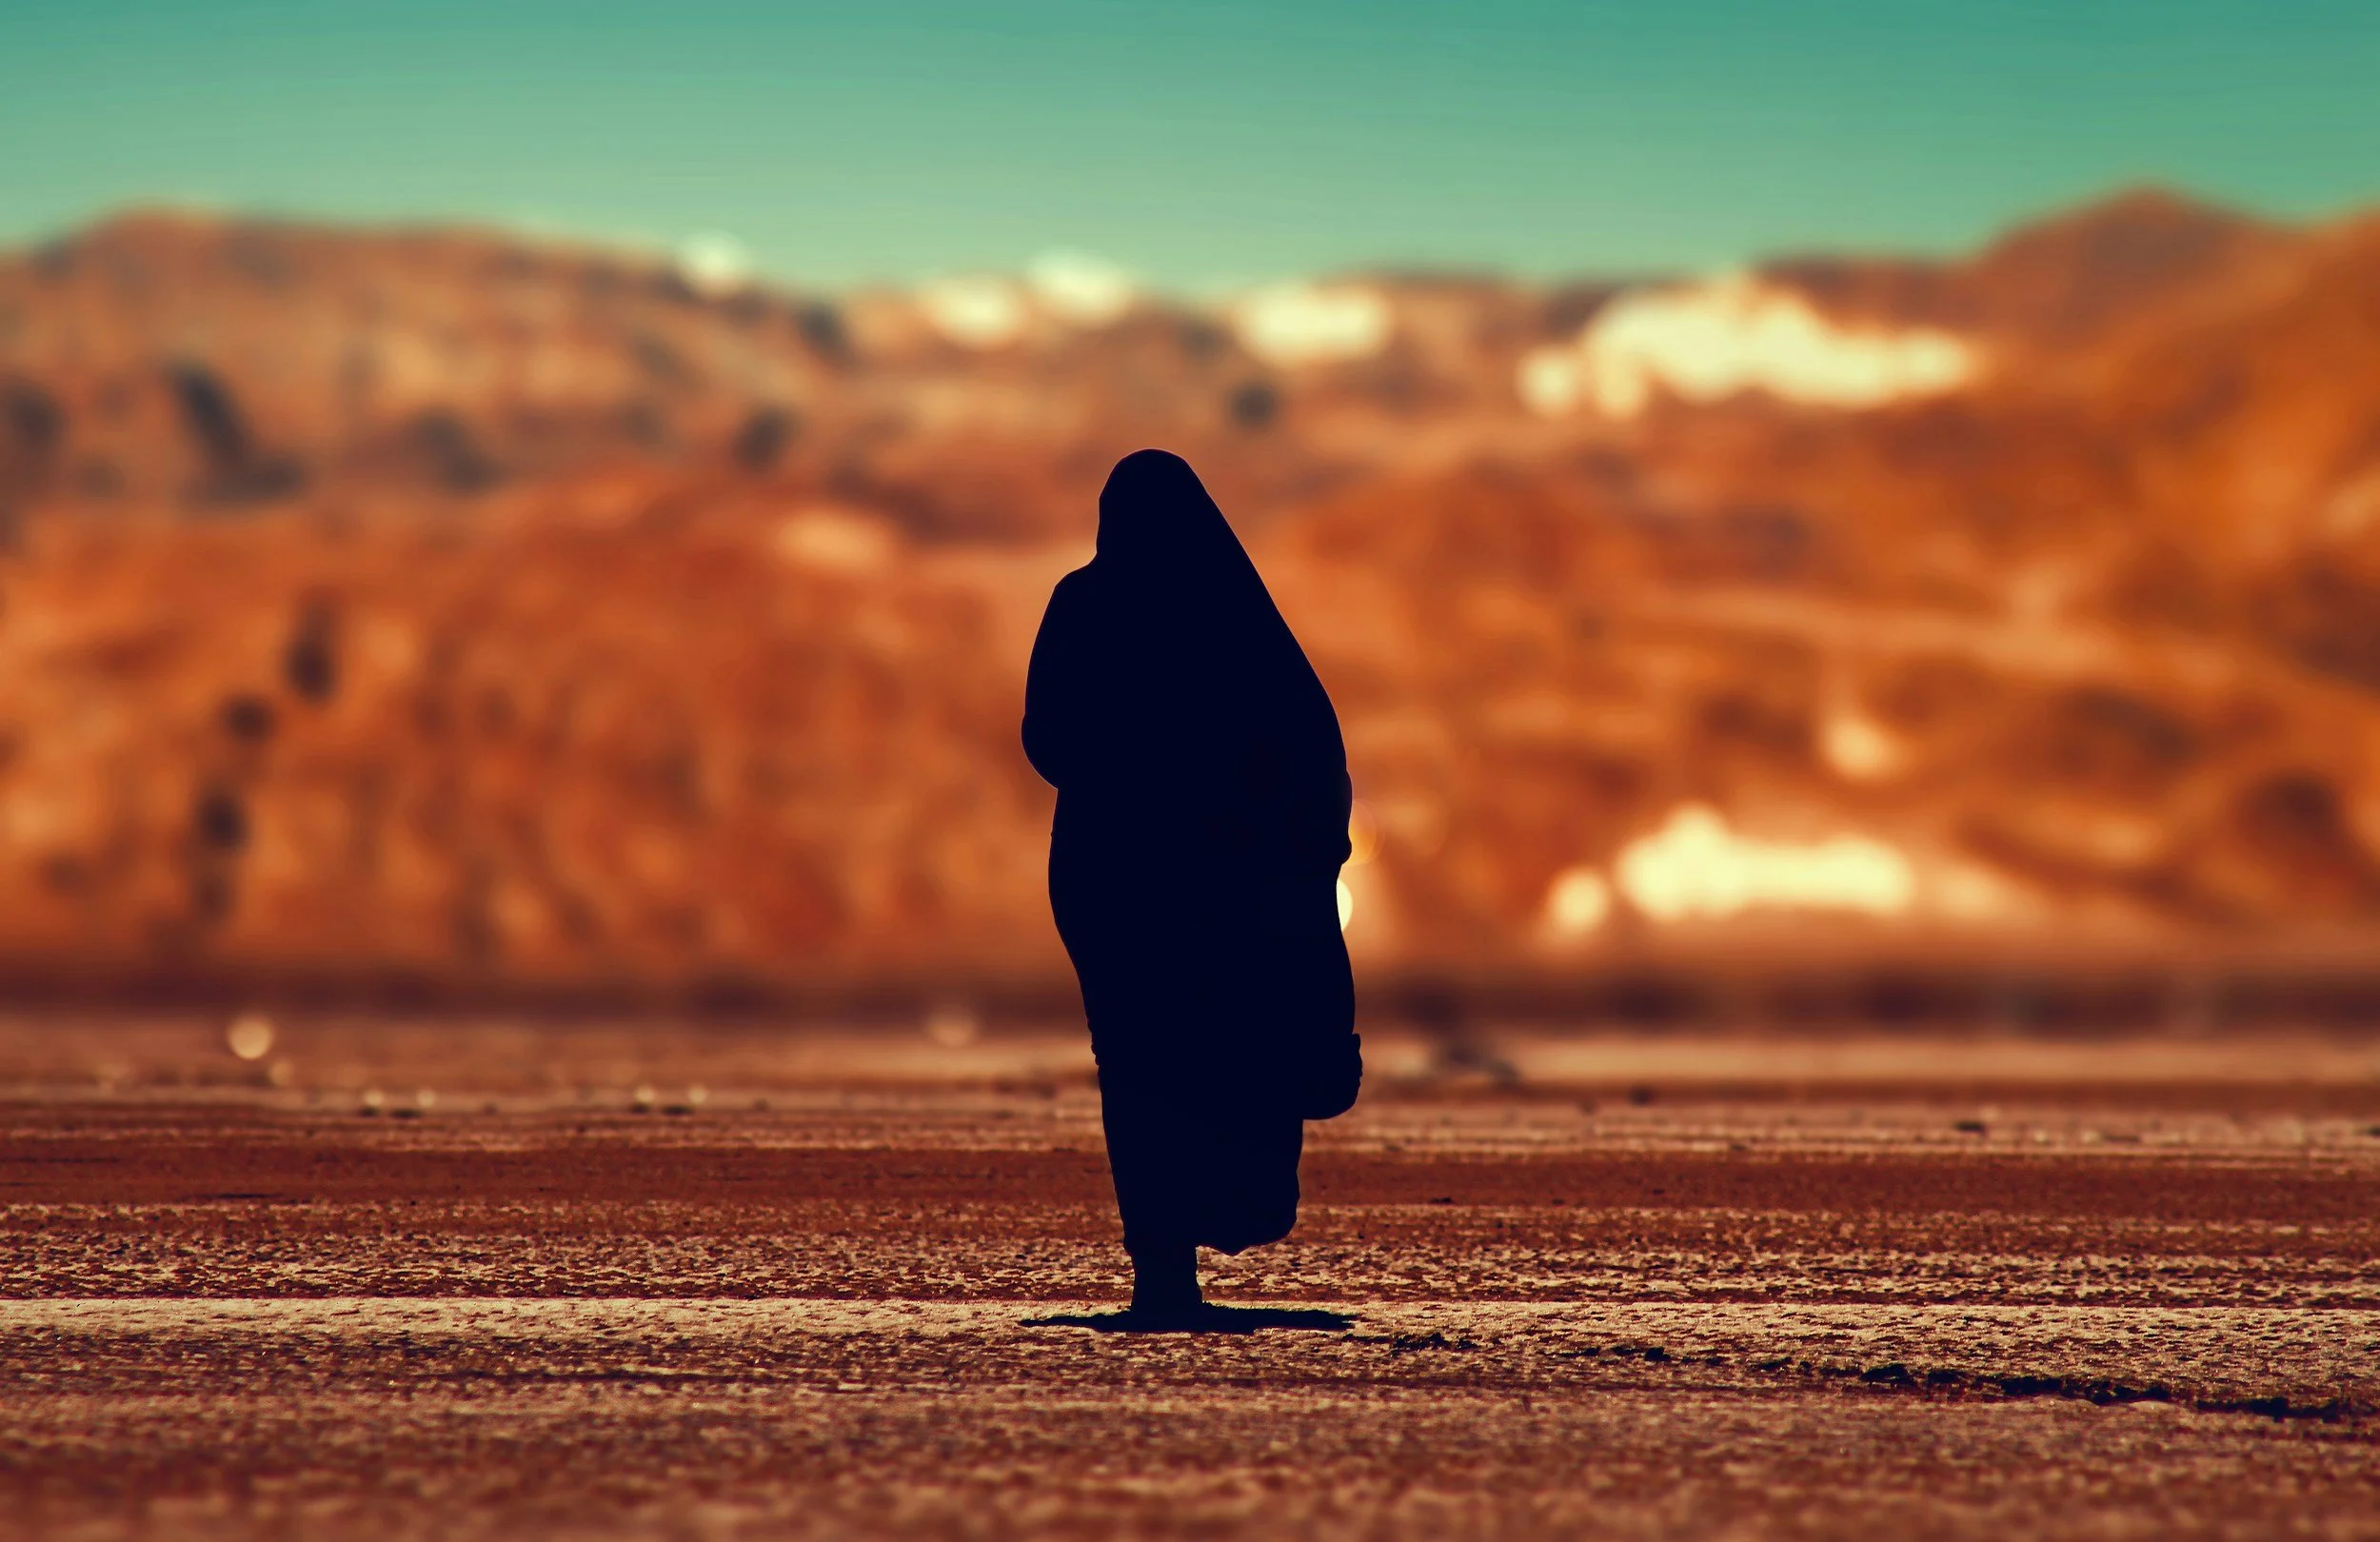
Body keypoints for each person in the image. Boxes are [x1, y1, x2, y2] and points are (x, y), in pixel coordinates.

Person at [1023, 449, 1361, 1326]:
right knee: (1184, 1055)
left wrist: (1126, 773)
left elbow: (1047, 739)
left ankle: (1162, 1266)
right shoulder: (1232, 618)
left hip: (1116, 880)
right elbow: (1302, 749)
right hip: (1186, 884)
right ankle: (1170, 1262)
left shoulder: (1085, 604)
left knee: (1138, 1068)